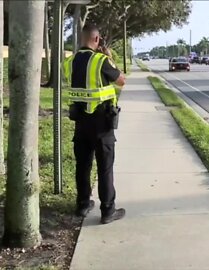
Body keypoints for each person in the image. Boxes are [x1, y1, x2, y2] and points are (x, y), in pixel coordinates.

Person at [62, 24, 126, 224]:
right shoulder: (101, 60)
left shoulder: (69, 62)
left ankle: (82, 205)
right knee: (105, 167)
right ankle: (108, 210)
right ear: (97, 40)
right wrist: (109, 58)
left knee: (83, 165)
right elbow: (121, 81)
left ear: (82, 39)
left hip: (80, 121)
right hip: (102, 123)